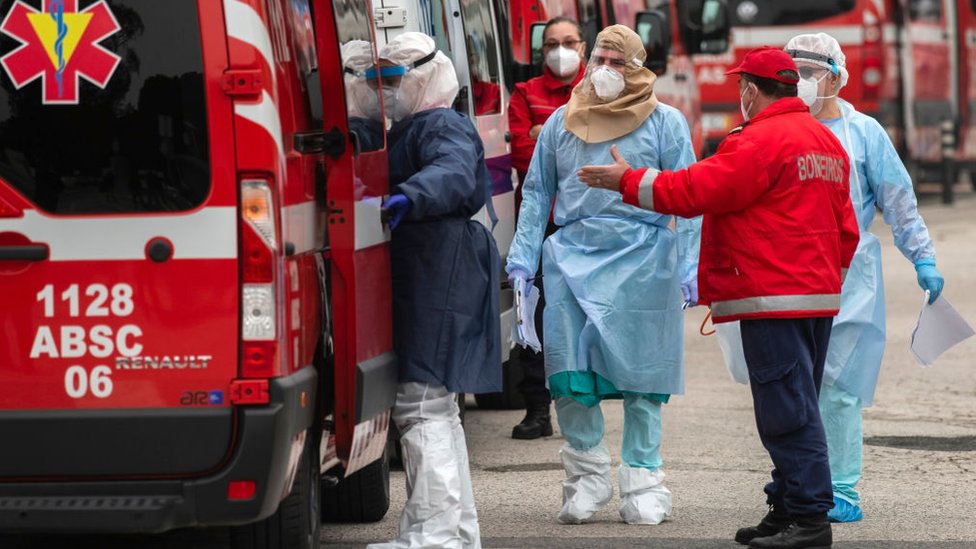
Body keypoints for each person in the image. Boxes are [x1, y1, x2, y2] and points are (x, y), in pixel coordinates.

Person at [579, 46, 860, 548]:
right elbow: (847, 229)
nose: (739, 96)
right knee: (797, 405)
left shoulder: (758, 142)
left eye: (740, 88)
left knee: (787, 412)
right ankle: (788, 507)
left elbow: (694, 192)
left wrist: (627, 180)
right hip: (813, 298)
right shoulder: (824, 141)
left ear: (751, 90)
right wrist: (822, 281)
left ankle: (810, 523)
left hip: (773, 297)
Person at [507, 24, 701, 525]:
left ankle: (643, 480)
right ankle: (587, 475)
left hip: (646, 259)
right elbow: (535, 194)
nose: (605, 70)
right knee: (569, 375)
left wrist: (689, 263)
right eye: (600, 58)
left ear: (638, 68)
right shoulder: (560, 122)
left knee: (644, 377)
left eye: (618, 62)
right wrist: (523, 260)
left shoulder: (666, 123)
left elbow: (692, 195)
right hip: (571, 258)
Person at [784, 33, 946, 524]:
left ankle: (840, 486)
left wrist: (922, 257)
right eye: (794, 73)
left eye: (811, 73)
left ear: (836, 74)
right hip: (788, 270)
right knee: (792, 384)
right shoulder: (777, 130)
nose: (802, 83)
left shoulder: (865, 134)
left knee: (839, 385)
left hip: (850, 276)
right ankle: (798, 483)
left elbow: (897, 200)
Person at [365, 32, 501, 549]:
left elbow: (451, 172)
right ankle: (454, 531)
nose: (386, 90)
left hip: (438, 268)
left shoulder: (440, 124)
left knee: (421, 406)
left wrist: (408, 196)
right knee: (437, 408)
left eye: (392, 80)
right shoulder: (416, 126)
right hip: (434, 267)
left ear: (421, 77)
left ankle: (435, 536)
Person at [505, 16, 586, 441]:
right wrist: (565, 142)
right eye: (553, 43)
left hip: (588, 221)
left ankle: (588, 394)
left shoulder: (598, 92)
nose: (561, 50)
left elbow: (603, 153)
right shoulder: (525, 93)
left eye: (569, 41)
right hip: (539, 224)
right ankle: (537, 407)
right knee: (533, 312)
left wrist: (546, 134)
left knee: (587, 309)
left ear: (583, 47)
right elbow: (521, 154)